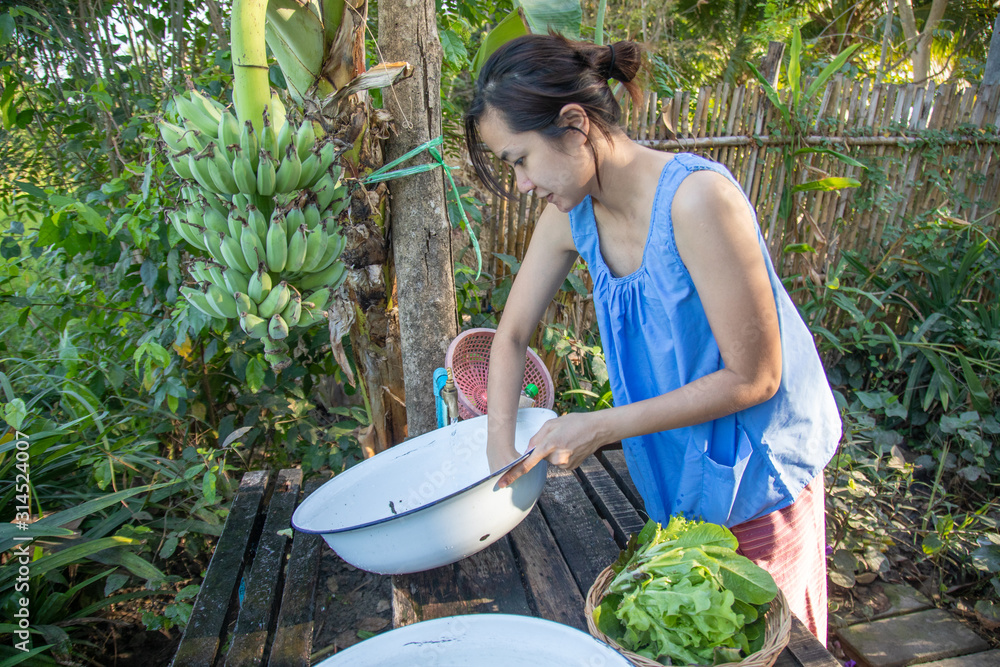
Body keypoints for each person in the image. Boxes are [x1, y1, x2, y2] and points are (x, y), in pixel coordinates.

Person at [463, 33, 842, 641]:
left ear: (574, 124)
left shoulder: (697, 200)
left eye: (519, 160)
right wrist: (499, 449)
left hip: (756, 469)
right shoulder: (571, 213)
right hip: (677, 462)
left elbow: (756, 377)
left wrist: (602, 424)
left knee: (761, 640)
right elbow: (507, 338)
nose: (523, 185)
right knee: (693, 629)